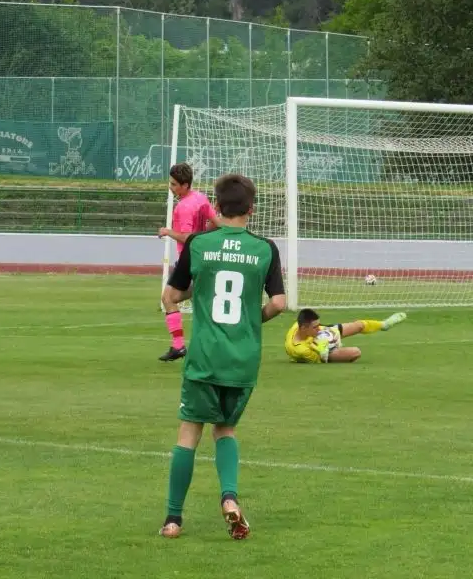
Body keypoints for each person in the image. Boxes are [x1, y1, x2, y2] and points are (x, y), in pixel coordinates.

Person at [159, 173, 286, 540]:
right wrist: (252, 318)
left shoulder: (200, 243)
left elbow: (171, 296)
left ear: (216, 207)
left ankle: (173, 519)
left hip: (205, 357)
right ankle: (229, 498)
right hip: (243, 358)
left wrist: (193, 295)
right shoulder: (265, 248)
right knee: (225, 429)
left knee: (189, 433)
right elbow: (279, 303)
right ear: (252, 209)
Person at [158, 162, 220, 362]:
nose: (171, 187)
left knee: (168, 298)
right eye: (171, 183)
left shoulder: (184, 207)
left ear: (185, 185)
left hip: (189, 258)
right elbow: (215, 224)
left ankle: (178, 346)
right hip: (204, 256)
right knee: (202, 304)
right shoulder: (201, 198)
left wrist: (167, 232)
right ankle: (214, 347)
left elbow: (187, 238)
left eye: (175, 184)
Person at [284, 308, 407, 363]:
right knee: (356, 352)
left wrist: (330, 332)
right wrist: (326, 348)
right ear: (304, 328)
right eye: (315, 327)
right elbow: (320, 359)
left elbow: (320, 329)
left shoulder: (298, 326)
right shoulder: (301, 350)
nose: (318, 328)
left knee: (359, 325)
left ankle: (383, 324)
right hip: (322, 351)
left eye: (318, 324)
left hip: (323, 337)